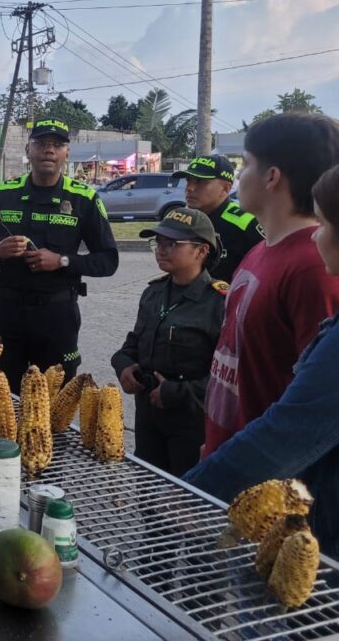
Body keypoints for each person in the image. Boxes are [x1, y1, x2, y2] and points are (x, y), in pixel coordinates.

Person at [183, 163, 339, 559]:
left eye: (324, 225)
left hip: (305, 520)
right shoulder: (262, 248)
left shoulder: (308, 270)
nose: (316, 235)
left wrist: (191, 491)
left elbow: (294, 427)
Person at [203, 113, 339, 458]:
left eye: (244, 165)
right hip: (227, 458)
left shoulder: (315, 267)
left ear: (272, 177)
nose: (237, 177)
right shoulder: (260, 249)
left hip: (269, 485)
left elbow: (313, 415)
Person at [0, 118, 119, 392]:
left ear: (67, 154)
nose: (49, 150)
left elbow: (108, 260)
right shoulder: (4, 194)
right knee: (0, 396)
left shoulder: (83, 199)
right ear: (28, 150)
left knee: (52, 402)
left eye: (57, 144)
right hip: (7, 313)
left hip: (56, 315)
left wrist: (62, 261)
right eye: (41, 143)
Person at [111, 208, 227, 476]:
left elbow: (228, 378)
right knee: (148, 494)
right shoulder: (154, 293)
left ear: (201, 251)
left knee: (183, 500)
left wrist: (178, 393)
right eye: (158, 242)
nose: (161, 250)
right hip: (148, 416)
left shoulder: (219, 303)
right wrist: (123, 363)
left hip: (190, 422)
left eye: (172, 244)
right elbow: (133, 342)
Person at [171, 154, 263, 281]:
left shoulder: (246, 224)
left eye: (199, 182)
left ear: (225, 189)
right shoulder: (180, 220)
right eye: (188, 181)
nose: (190, 188)